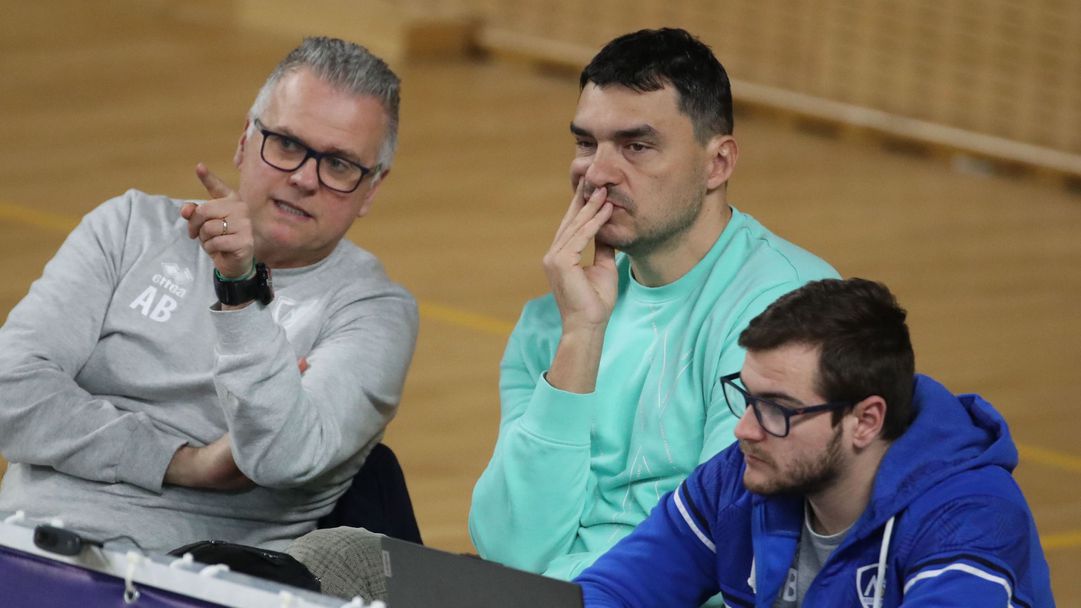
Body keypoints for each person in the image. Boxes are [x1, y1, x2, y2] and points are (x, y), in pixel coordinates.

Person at [0, 37, 418, 554]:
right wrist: (182, 462)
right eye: (287, 144)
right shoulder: (129, 227)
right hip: (22, 545)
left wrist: (240, 290)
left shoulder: (374, 314)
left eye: (338, 165)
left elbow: (279, 458)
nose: (304, 178)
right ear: (245, 140)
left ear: (371, 189)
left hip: (189, 576)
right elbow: (9, 390)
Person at [469, 27, 837, 580]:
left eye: (636, 146)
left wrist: (573, 585)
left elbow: (725, 541)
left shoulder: (785, 309)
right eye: (586, 144)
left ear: (718, 163)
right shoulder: (554, 320)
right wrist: (581, 336)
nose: (596, 173)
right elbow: (509, 545)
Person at [576, 278, 1055, 607]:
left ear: (865, 420)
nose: (744, 429)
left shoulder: (969, 520)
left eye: (778, 409)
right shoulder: (742, 476)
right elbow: (614, 591)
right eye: (747, 397)